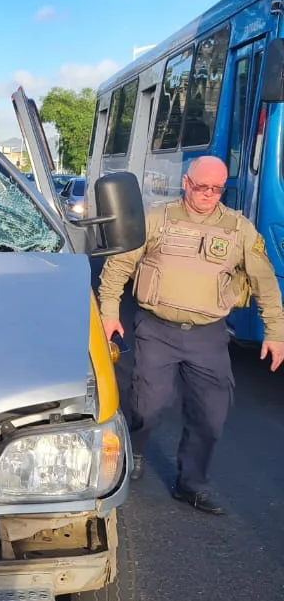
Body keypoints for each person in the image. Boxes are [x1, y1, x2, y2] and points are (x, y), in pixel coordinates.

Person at [98, 155, 284, 515]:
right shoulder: (157, 219)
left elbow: (265, 283)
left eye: (217, 189)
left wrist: (275, 333)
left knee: (210, 416)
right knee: (147, 406)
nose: (209, 195)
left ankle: (191, 484)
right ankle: (134, 447)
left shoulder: (238, 228)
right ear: (186, 183)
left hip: (209, 337)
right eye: (202, 187)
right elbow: (119, 265)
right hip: (157, 329)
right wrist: (108, 313)